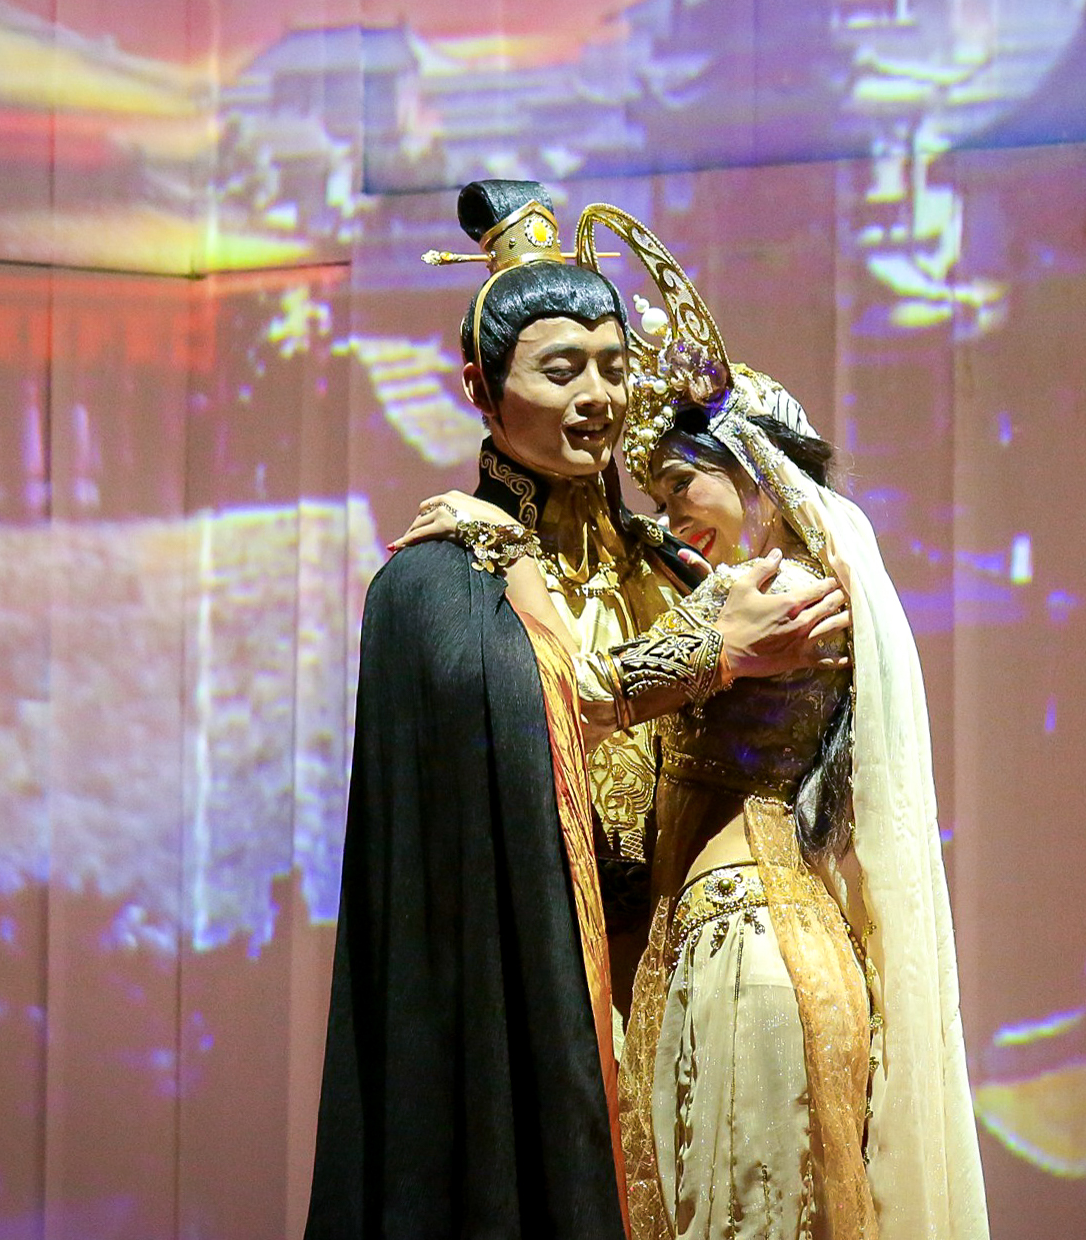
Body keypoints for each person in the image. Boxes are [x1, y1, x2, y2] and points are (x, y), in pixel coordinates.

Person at [305, 182, 847, 1240]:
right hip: (533, 991)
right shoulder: (438, 581)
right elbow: (510, 720)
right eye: (560, 370)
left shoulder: (668, 563)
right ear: (480, 386)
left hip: (691, 994)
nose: (597, 395)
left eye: (611, 364)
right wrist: (704, 656)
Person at [445, 205, 989, 1240]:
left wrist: (493, 538)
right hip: (759, 934)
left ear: (753, 471)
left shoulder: (777, 596)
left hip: (745, 944)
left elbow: (572, 695)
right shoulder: (766, 578)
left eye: (681, 484)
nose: (667, 516)